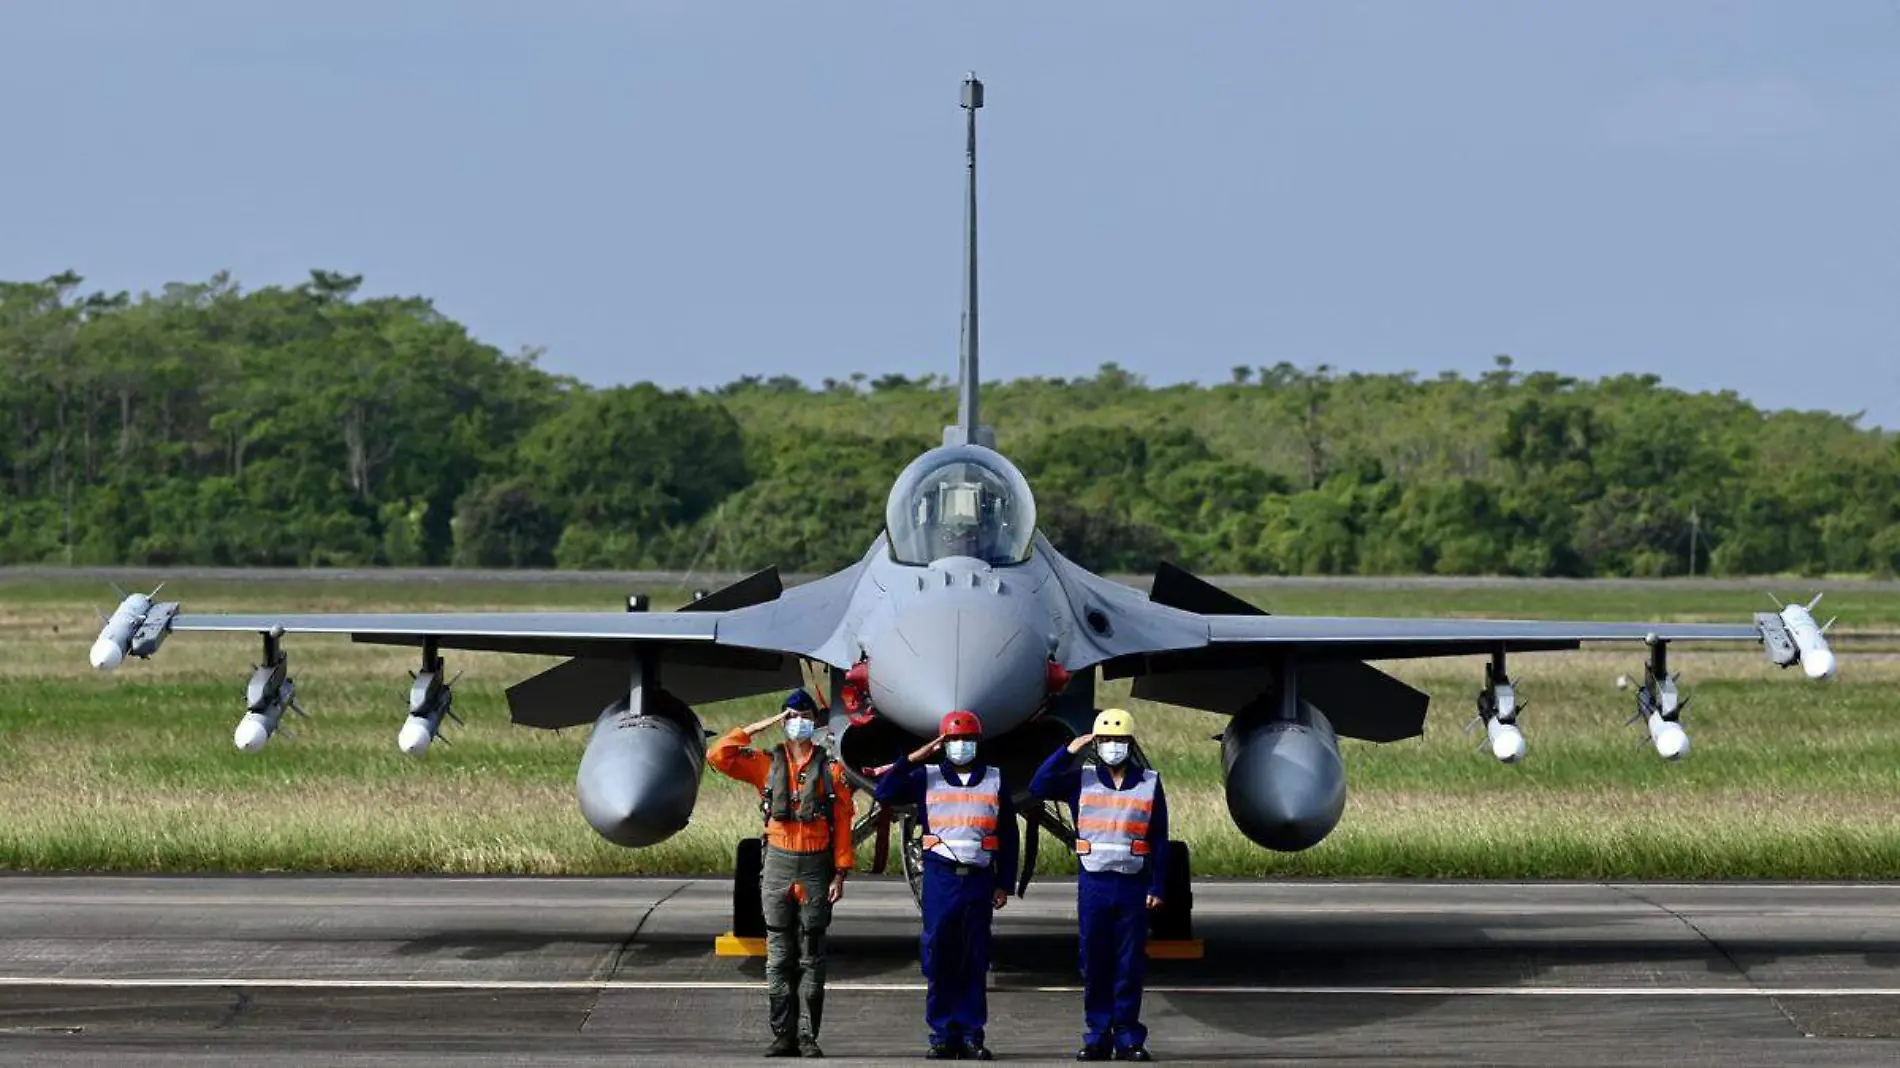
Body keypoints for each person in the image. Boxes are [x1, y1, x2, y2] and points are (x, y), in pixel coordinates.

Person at [709, 689, 857, 1058]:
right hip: (776, 863)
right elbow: (718, 754)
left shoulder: (831, 771)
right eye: (791, 716)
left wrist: (840, 873)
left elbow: (842, 823)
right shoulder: (764, 764)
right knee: (778, 956)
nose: (798, 721)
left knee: (812, 953)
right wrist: (762, 725)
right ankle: (782, 1035)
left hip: (815, 867)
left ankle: (808, 1036)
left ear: (814, 720)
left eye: (804, 714)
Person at [872, 710, 1020, 1060]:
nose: (960, 746)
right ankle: (942, 1034)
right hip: (941, 879)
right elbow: (885, 792)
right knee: (939, 955)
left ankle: (971, 1034)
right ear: (943, 744)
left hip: (979, 879)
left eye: (966, 740)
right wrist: (912, 758)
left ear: (977, 743)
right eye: (953, 741)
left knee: (974, 957)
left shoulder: (995, 780)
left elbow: (1009, 835)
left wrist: (1004, 882)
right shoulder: (928, 777)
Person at [1028, 708, 1167, 1062]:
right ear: (1096, 743)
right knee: (1095, 963)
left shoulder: (1150, 783)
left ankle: (1129, 1037)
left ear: (1130, 743)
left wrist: (1158, 886)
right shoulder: (1081, 780)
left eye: (1119, 741)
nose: (1112, 747)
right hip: (1095, 884)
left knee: (1129, 964)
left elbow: (1160, 838)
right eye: (1105, 740)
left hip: (1134, 885)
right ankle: (1097, 1035)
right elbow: (1038, 785)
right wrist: (1069, 750)